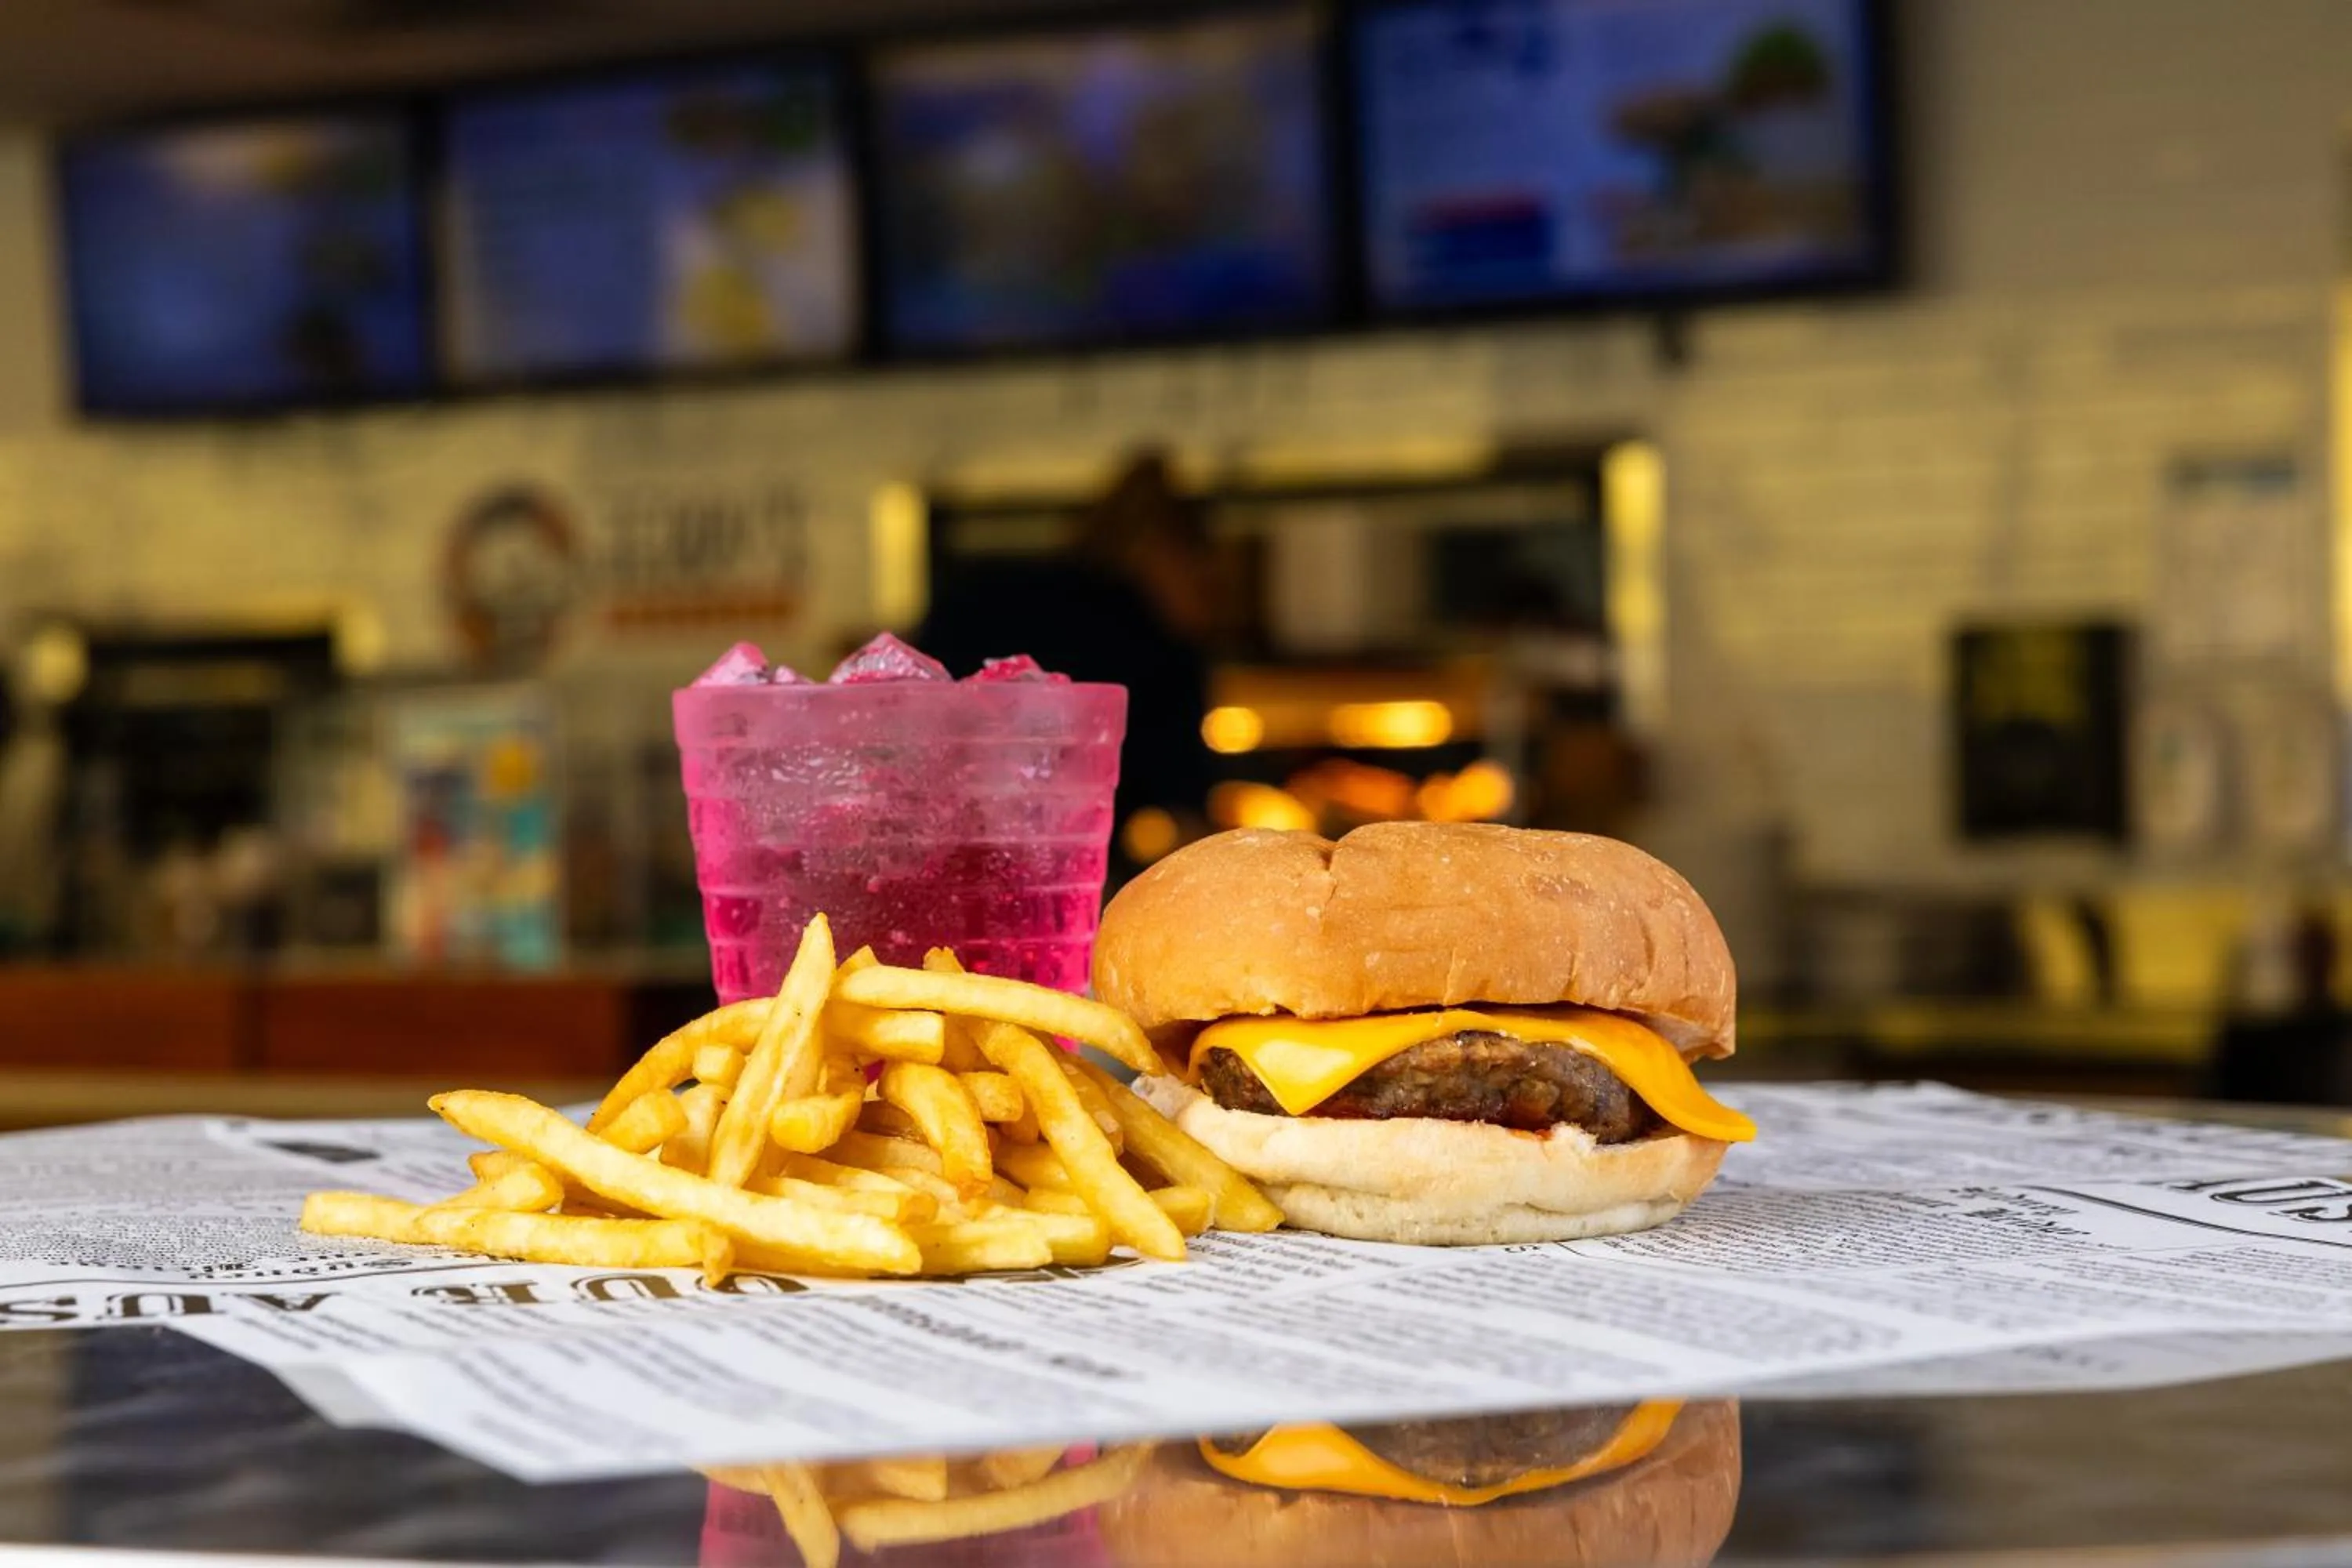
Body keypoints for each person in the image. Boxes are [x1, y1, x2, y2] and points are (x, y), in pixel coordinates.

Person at [917, 451, 1217, 884]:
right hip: (1057, 885)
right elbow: (1189, 825)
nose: (1212, 609)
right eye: (1210, 584)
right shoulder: (1157, 644)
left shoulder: (985, 594)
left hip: (944, 864)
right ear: (1169, 555)